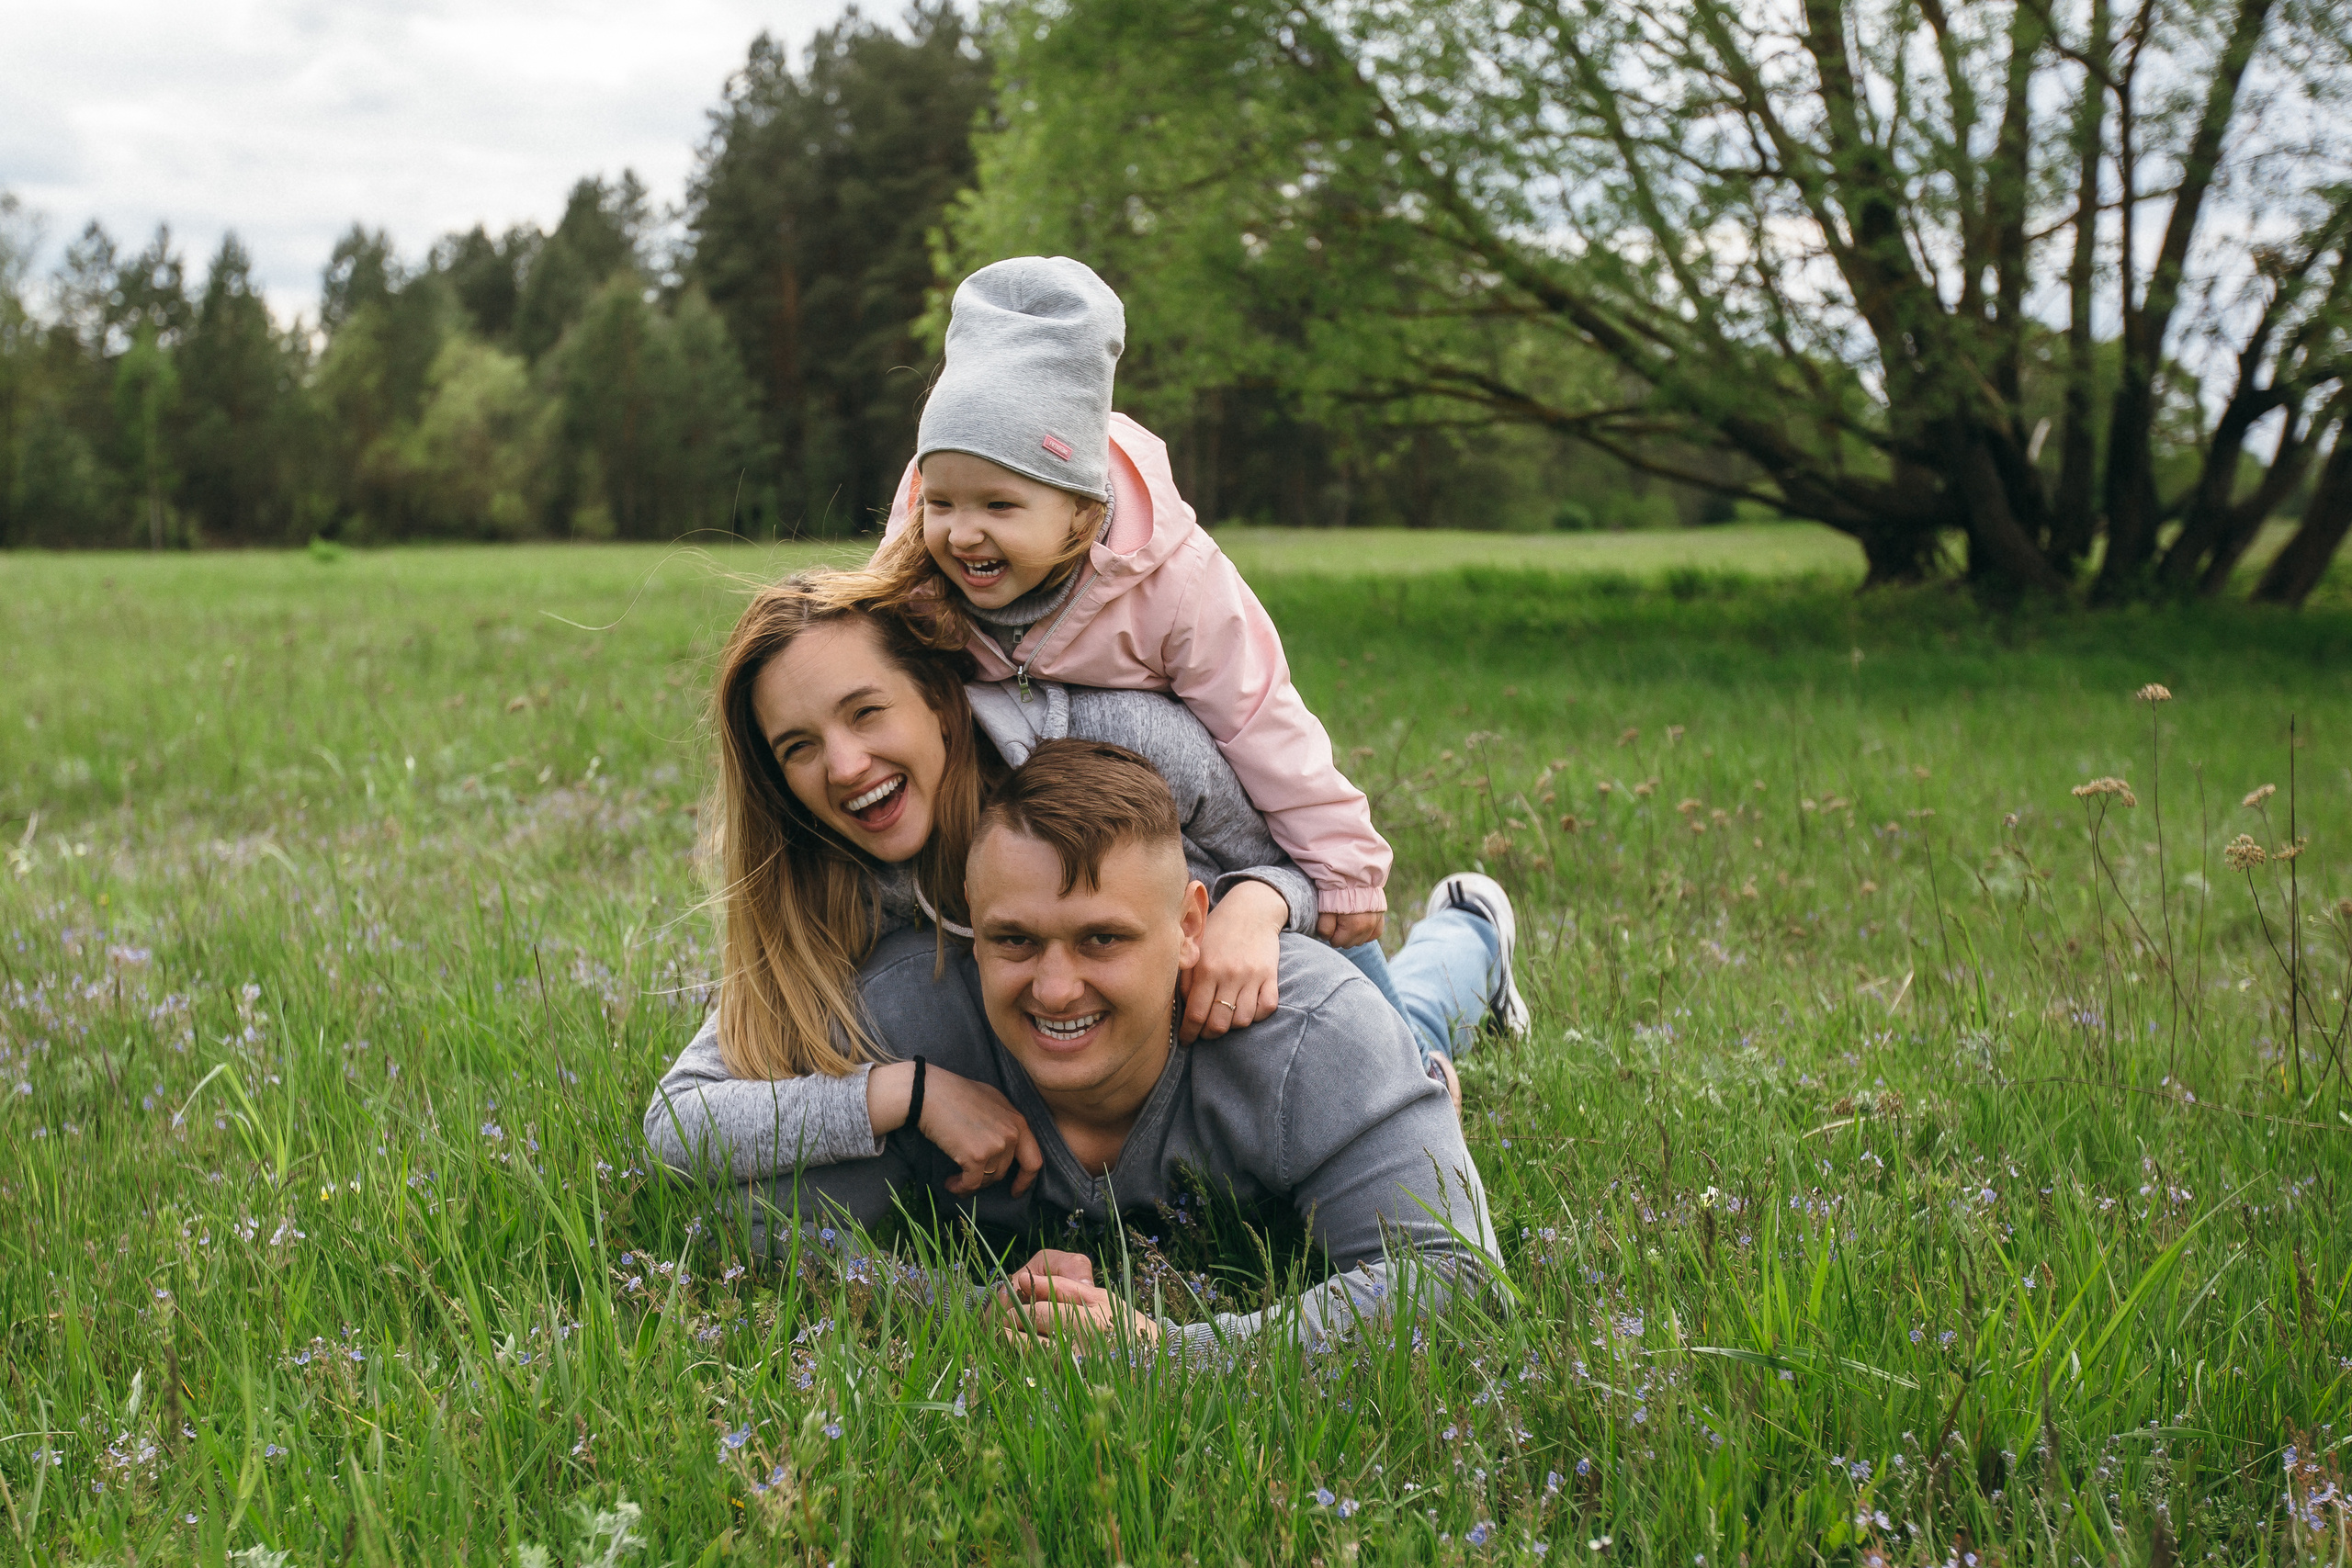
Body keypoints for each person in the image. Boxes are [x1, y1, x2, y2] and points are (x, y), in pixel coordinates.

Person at [716, 739, 1506, 1351]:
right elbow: (744, 1218)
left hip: (1362, 1043)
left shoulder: (1315, 1032)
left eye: (1102, 939)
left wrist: (1167, 1351)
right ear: (970, 919)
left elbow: (1459, 1279)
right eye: (1015, 938)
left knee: (1416, 1027)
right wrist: (966, 1309)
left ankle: (1470, 933)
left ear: (1191, 926)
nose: (1056, 988)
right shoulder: (901, 1020)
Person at [860, 258, 1450, 1063]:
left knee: (1389, 1029)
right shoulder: (916, 574)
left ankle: (1458, 961)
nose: (963, 533)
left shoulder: (1173, 578)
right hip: (1066, 850)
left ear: (1080, 506)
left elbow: (1261, 714)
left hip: (1222, 838)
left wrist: (1342, 867)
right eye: (943, 502)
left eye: (999, 505)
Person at [645, 571, 1332, 1200]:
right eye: (799, 746)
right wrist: (907, 1093)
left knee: (1411, 1015)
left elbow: (1307, 861)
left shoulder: (1117, 740)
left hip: (1264, 1007)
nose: (846, 765)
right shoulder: (837, 887)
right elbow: (679, 1122)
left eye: (866, 712)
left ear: (940, 705)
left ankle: (1439, 962)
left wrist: (1257, 903)